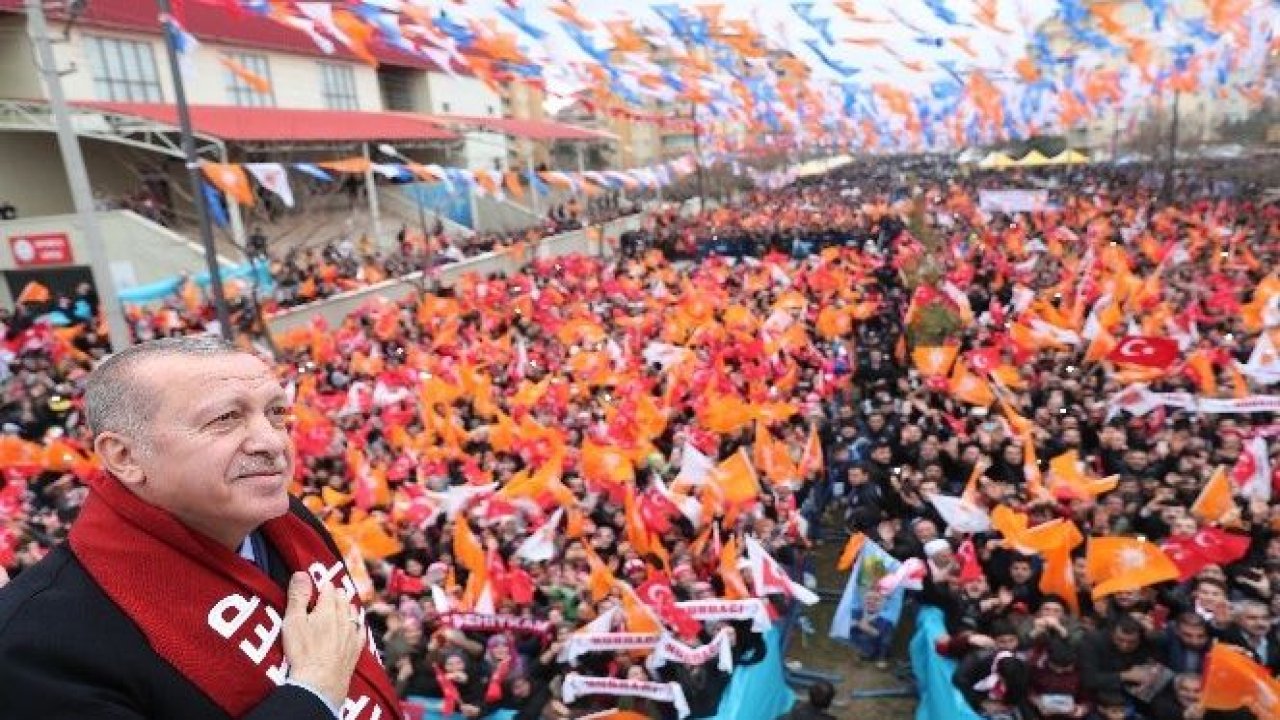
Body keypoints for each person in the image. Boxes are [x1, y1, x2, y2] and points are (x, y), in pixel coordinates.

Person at [0, 337, 398, 719]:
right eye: (226, 418)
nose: (272, 442)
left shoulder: (288, 520)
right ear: (124, 456)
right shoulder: (35, 642)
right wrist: (314, 694)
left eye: (277, 413)